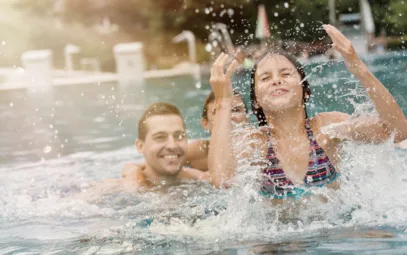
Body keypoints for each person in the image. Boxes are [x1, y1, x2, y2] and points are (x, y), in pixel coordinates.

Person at [208, 24, 407, 201]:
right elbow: (221, 179)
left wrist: (359, 68)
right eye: (266, 78)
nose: (277, 80)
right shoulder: (255, 144)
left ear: (305, 90)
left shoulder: (328, 129)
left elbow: (397, 132)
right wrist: (224, 102)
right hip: (275, 241)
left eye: (286, 74)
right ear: (256, 101)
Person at [83, 102, 208, 196]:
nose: (172, 145)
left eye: (179, 136)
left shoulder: (202, 181)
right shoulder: (115, 189)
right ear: (140, 146)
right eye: (160, 137)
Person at [122, 91, 249, 181]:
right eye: (219, 112)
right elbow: (152, 163)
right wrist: (133, 173)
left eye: (236, 110)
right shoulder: (201, 151)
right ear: (205, 123)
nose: (228, 117)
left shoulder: (260, 148)